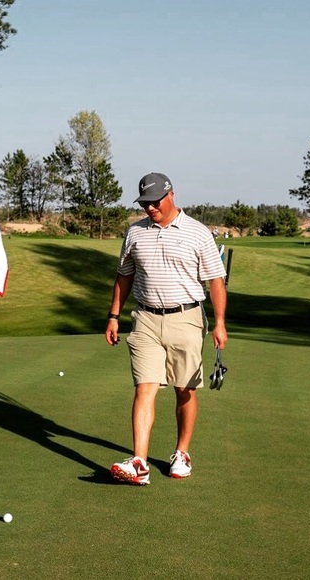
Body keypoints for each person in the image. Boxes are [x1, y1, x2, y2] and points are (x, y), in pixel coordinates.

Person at [105, 172, 228, 485]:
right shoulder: (135, 232)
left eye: (155, 201)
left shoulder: (198, 233)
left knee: (184, 389)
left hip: (186, 317)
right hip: (145, 319)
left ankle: (181, 453)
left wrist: (219, 323)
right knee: (144, 388)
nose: (150, 208)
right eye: (144, 203)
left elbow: (216, 280)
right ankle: (139, 462)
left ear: (171, 195)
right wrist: (114, 315)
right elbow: (124, 276)